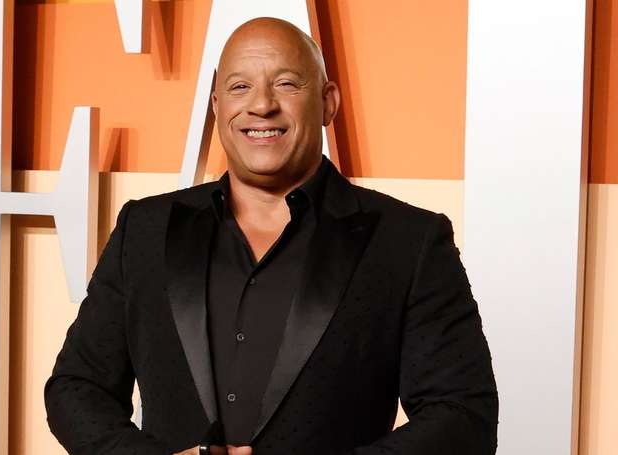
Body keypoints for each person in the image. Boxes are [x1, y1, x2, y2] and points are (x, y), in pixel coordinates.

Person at [45, 17, 498, 455]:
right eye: (240, 86)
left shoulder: (408, 241)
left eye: (286, 83)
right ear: (217, 105)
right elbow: (76, 387)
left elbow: (462, 416)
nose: (261, 105)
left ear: (328, 102)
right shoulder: (145, 229)